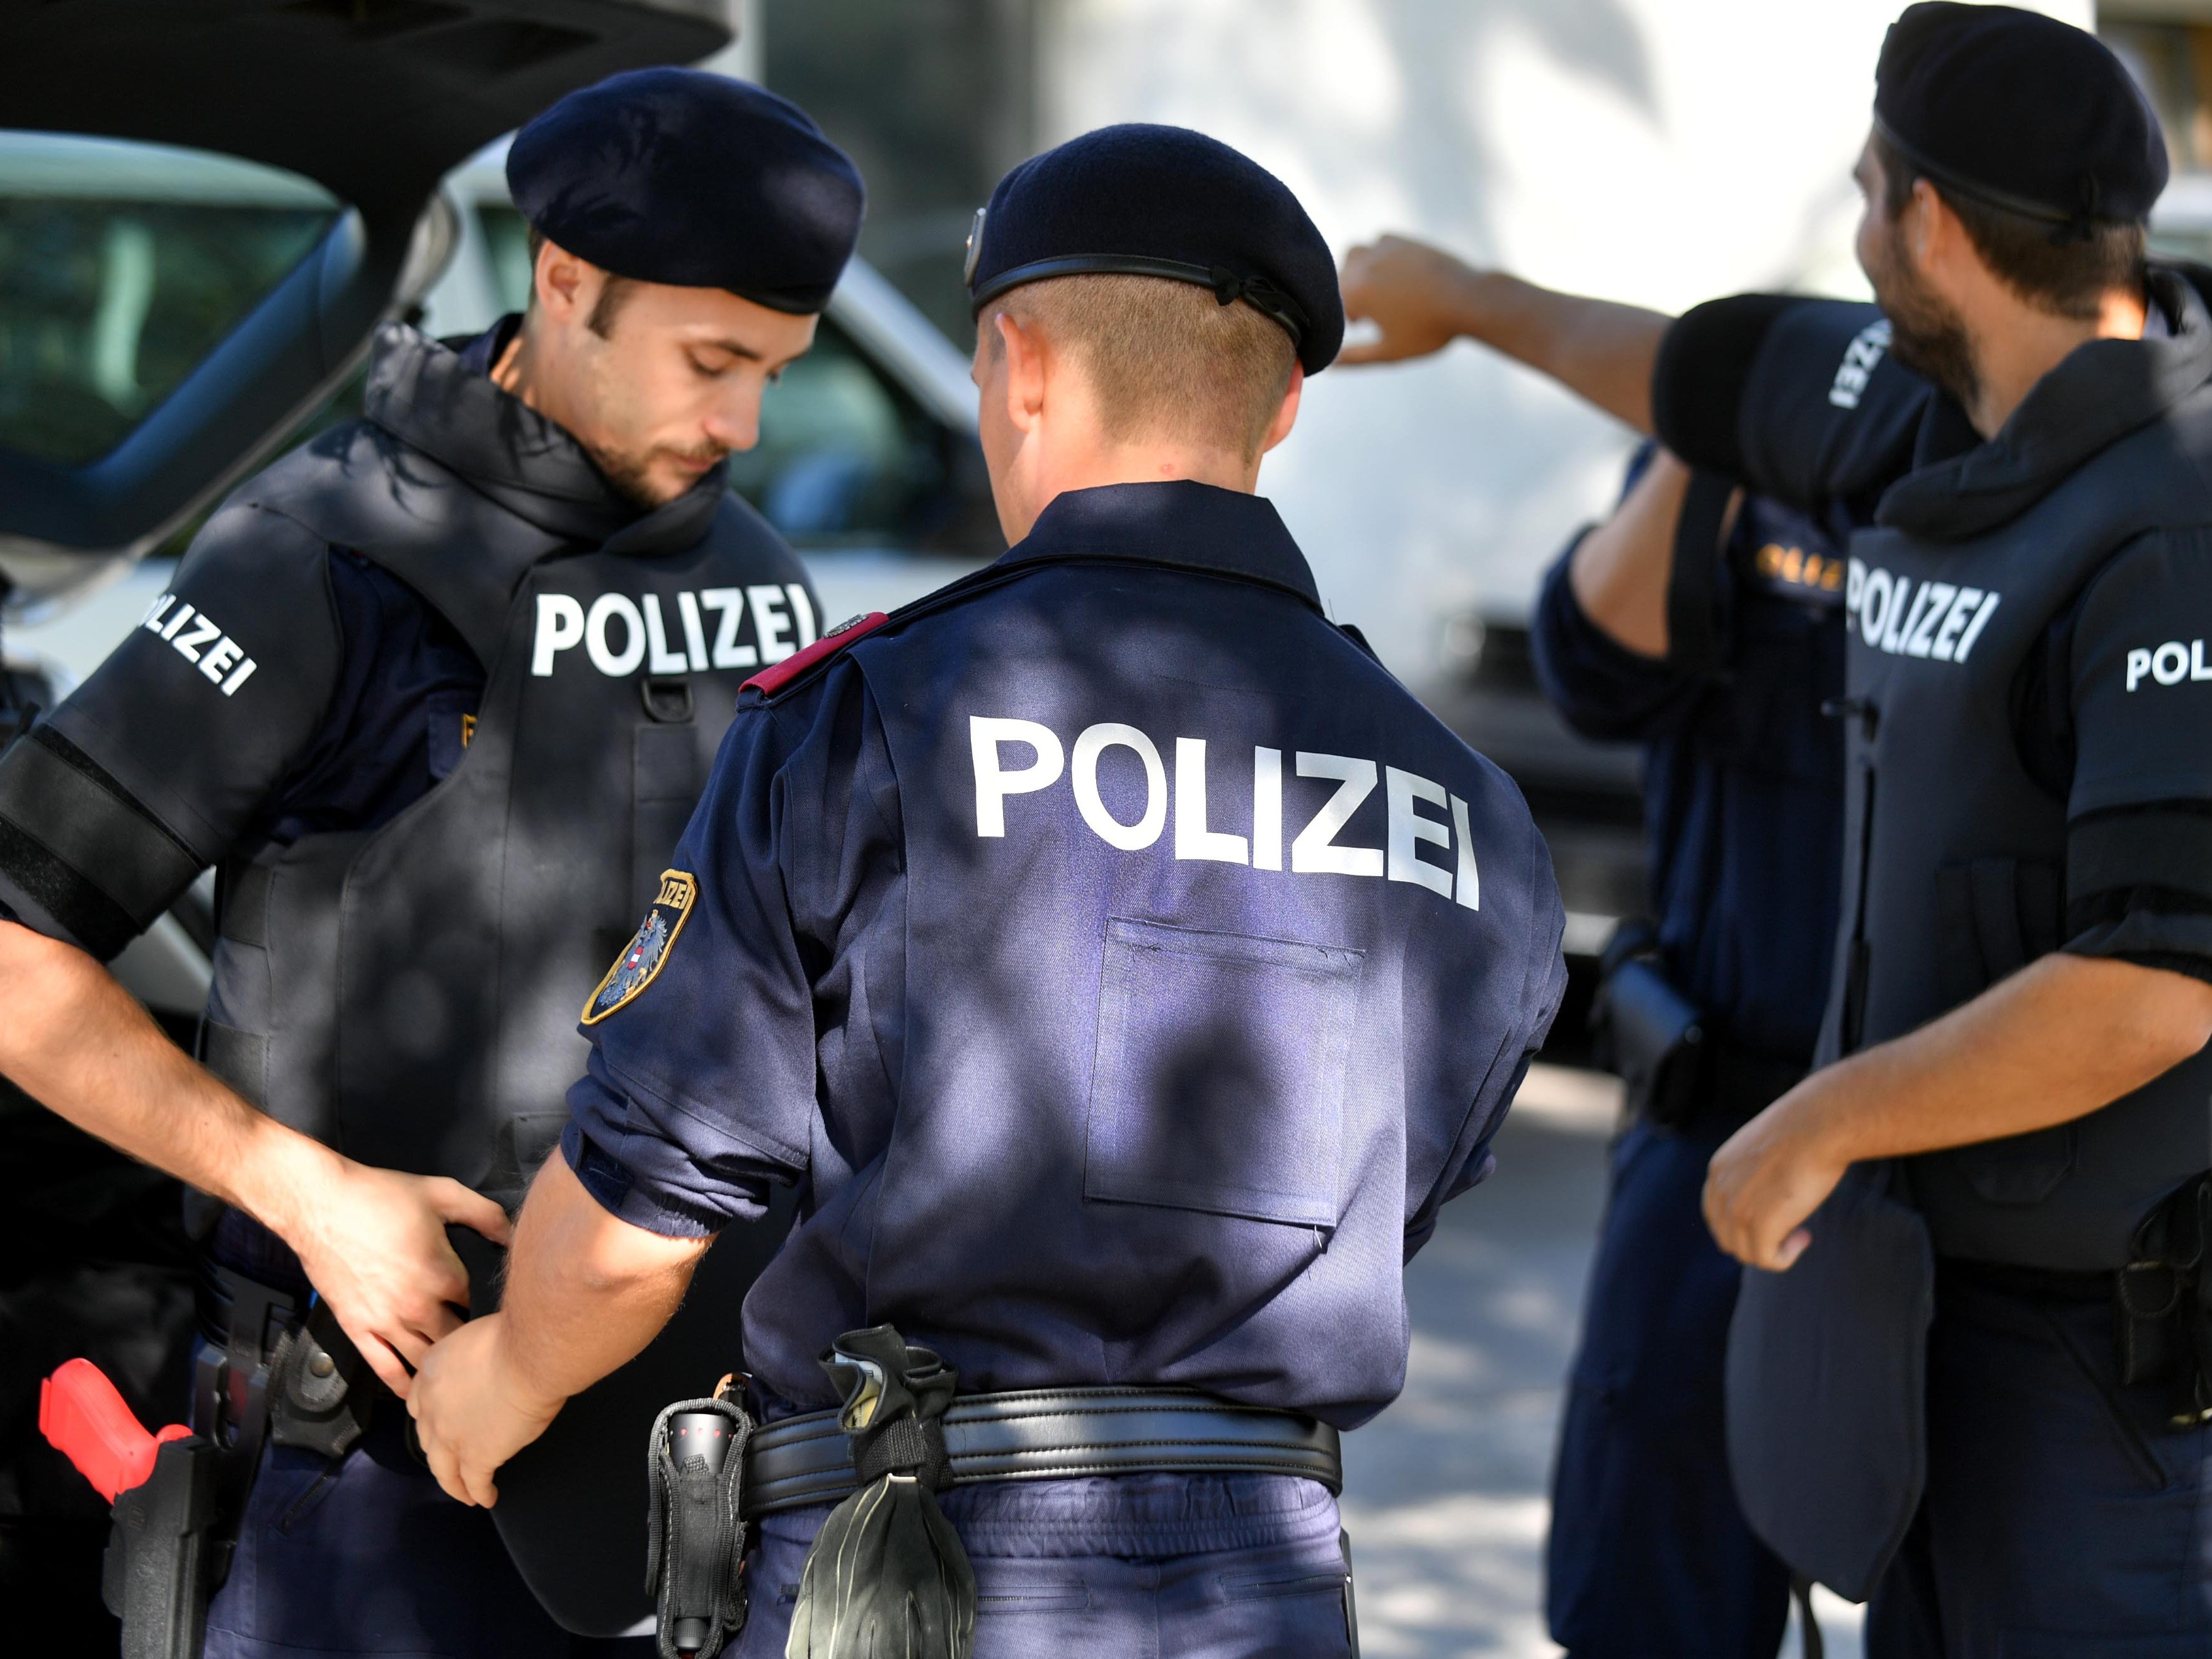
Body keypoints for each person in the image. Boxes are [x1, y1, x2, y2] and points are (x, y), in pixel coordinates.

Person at [409, 122, 1567, 1659]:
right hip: (1264, 1585)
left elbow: (643, 1209)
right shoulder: (1473, 818)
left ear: (1018, 360)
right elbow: (1393, 1198)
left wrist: (504, 1380)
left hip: (913, 1567)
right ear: (1286, 406)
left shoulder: (870, 719)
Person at [1368, 4, 2212, 1650]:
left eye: (1867, 186)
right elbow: (1691, 369)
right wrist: (1462, 304)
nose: (1856, 219)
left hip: (2086, 1358)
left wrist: (1826, 1117)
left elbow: (2163, 980)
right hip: (1906, 1288)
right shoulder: (1932, 399)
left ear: (1928, 222)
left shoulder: (2174, 518)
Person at [0, 69, 863, 1659]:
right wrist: (298, 1188)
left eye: (774, 373)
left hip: (695, 1459)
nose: (741, 425)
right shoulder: (319, 555)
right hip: (366, 1468)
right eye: (711, 361)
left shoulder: (760, 575)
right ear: (563, 284)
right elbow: (15, 957)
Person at [1339, 240, 1852, 1658]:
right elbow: (1592, 662)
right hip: (1708, 1121)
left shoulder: (2004, 471)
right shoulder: (1727, 458)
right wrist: (1716, 422)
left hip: (1939, 1149)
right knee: (1650, 1603)